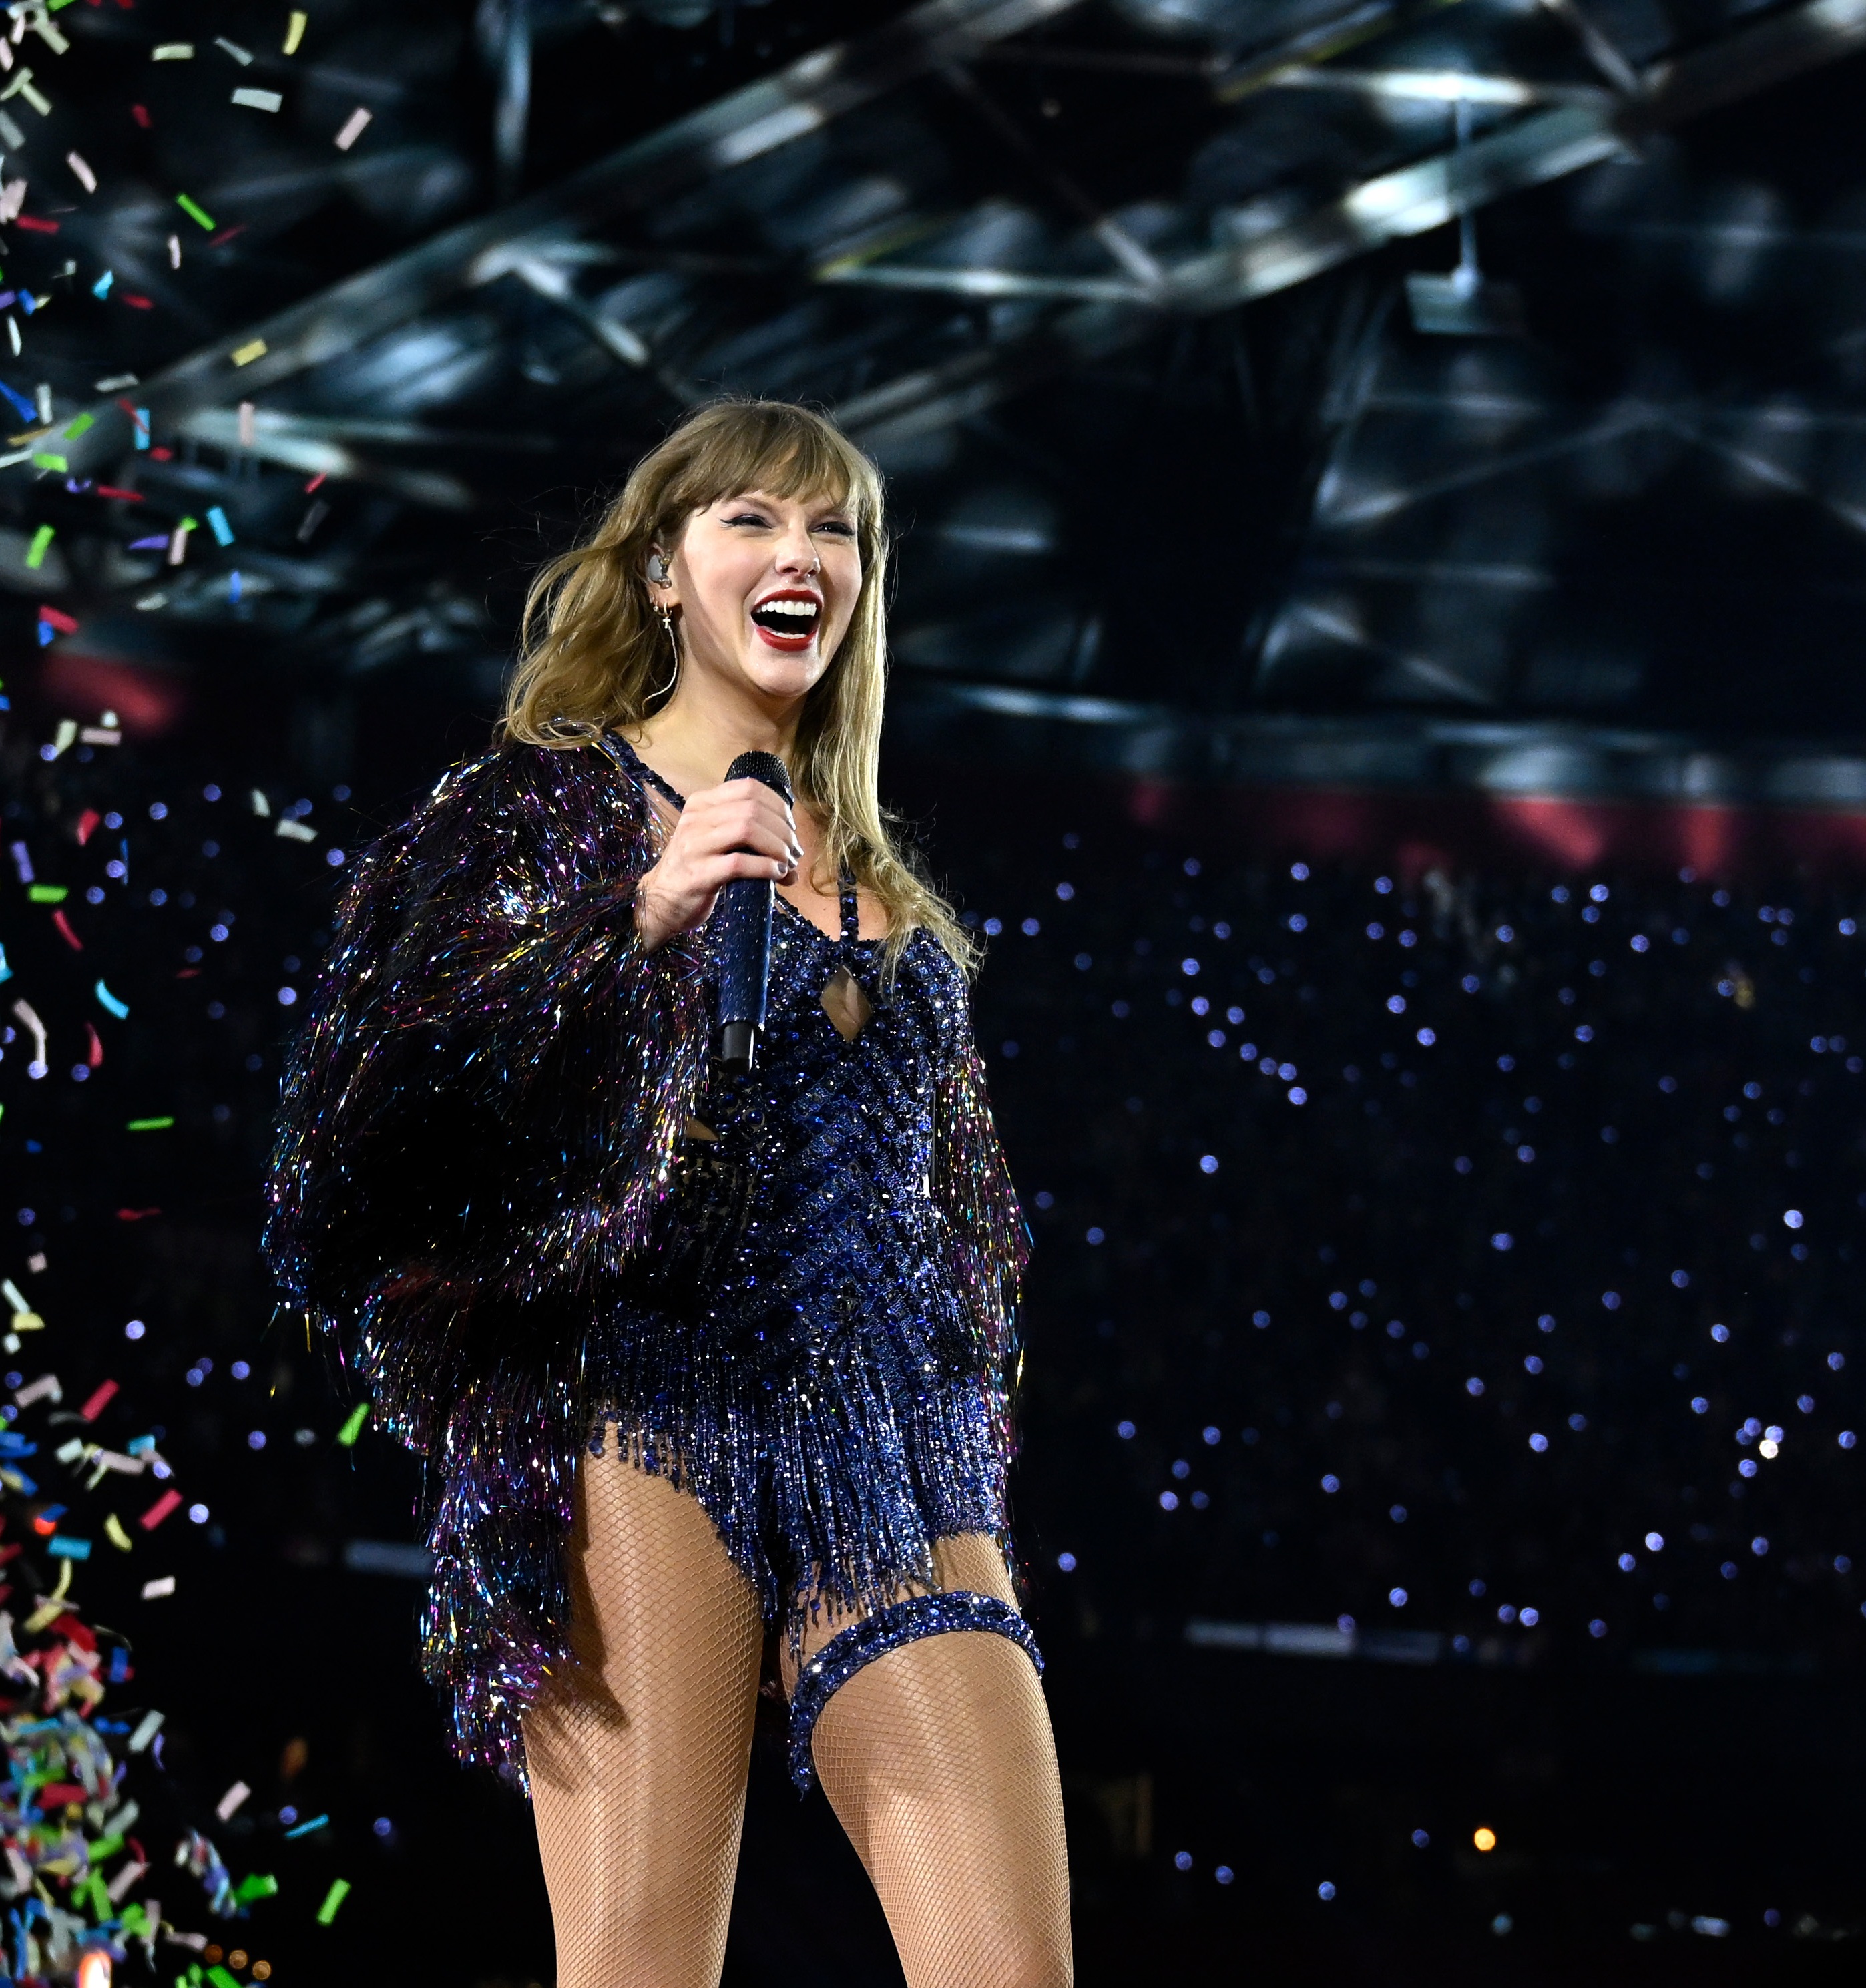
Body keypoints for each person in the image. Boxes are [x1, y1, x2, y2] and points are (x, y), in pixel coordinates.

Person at [266, 399, 1071, 1987]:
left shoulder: (890, 882)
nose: (801, 556)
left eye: (834, 529)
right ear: (660, 574)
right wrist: (638, 916)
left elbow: (963, 1233)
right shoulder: (543, 810)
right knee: (640, 1964)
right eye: (752, 522)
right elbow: (374, 1101)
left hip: (888, 1446)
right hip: (644, 1409)